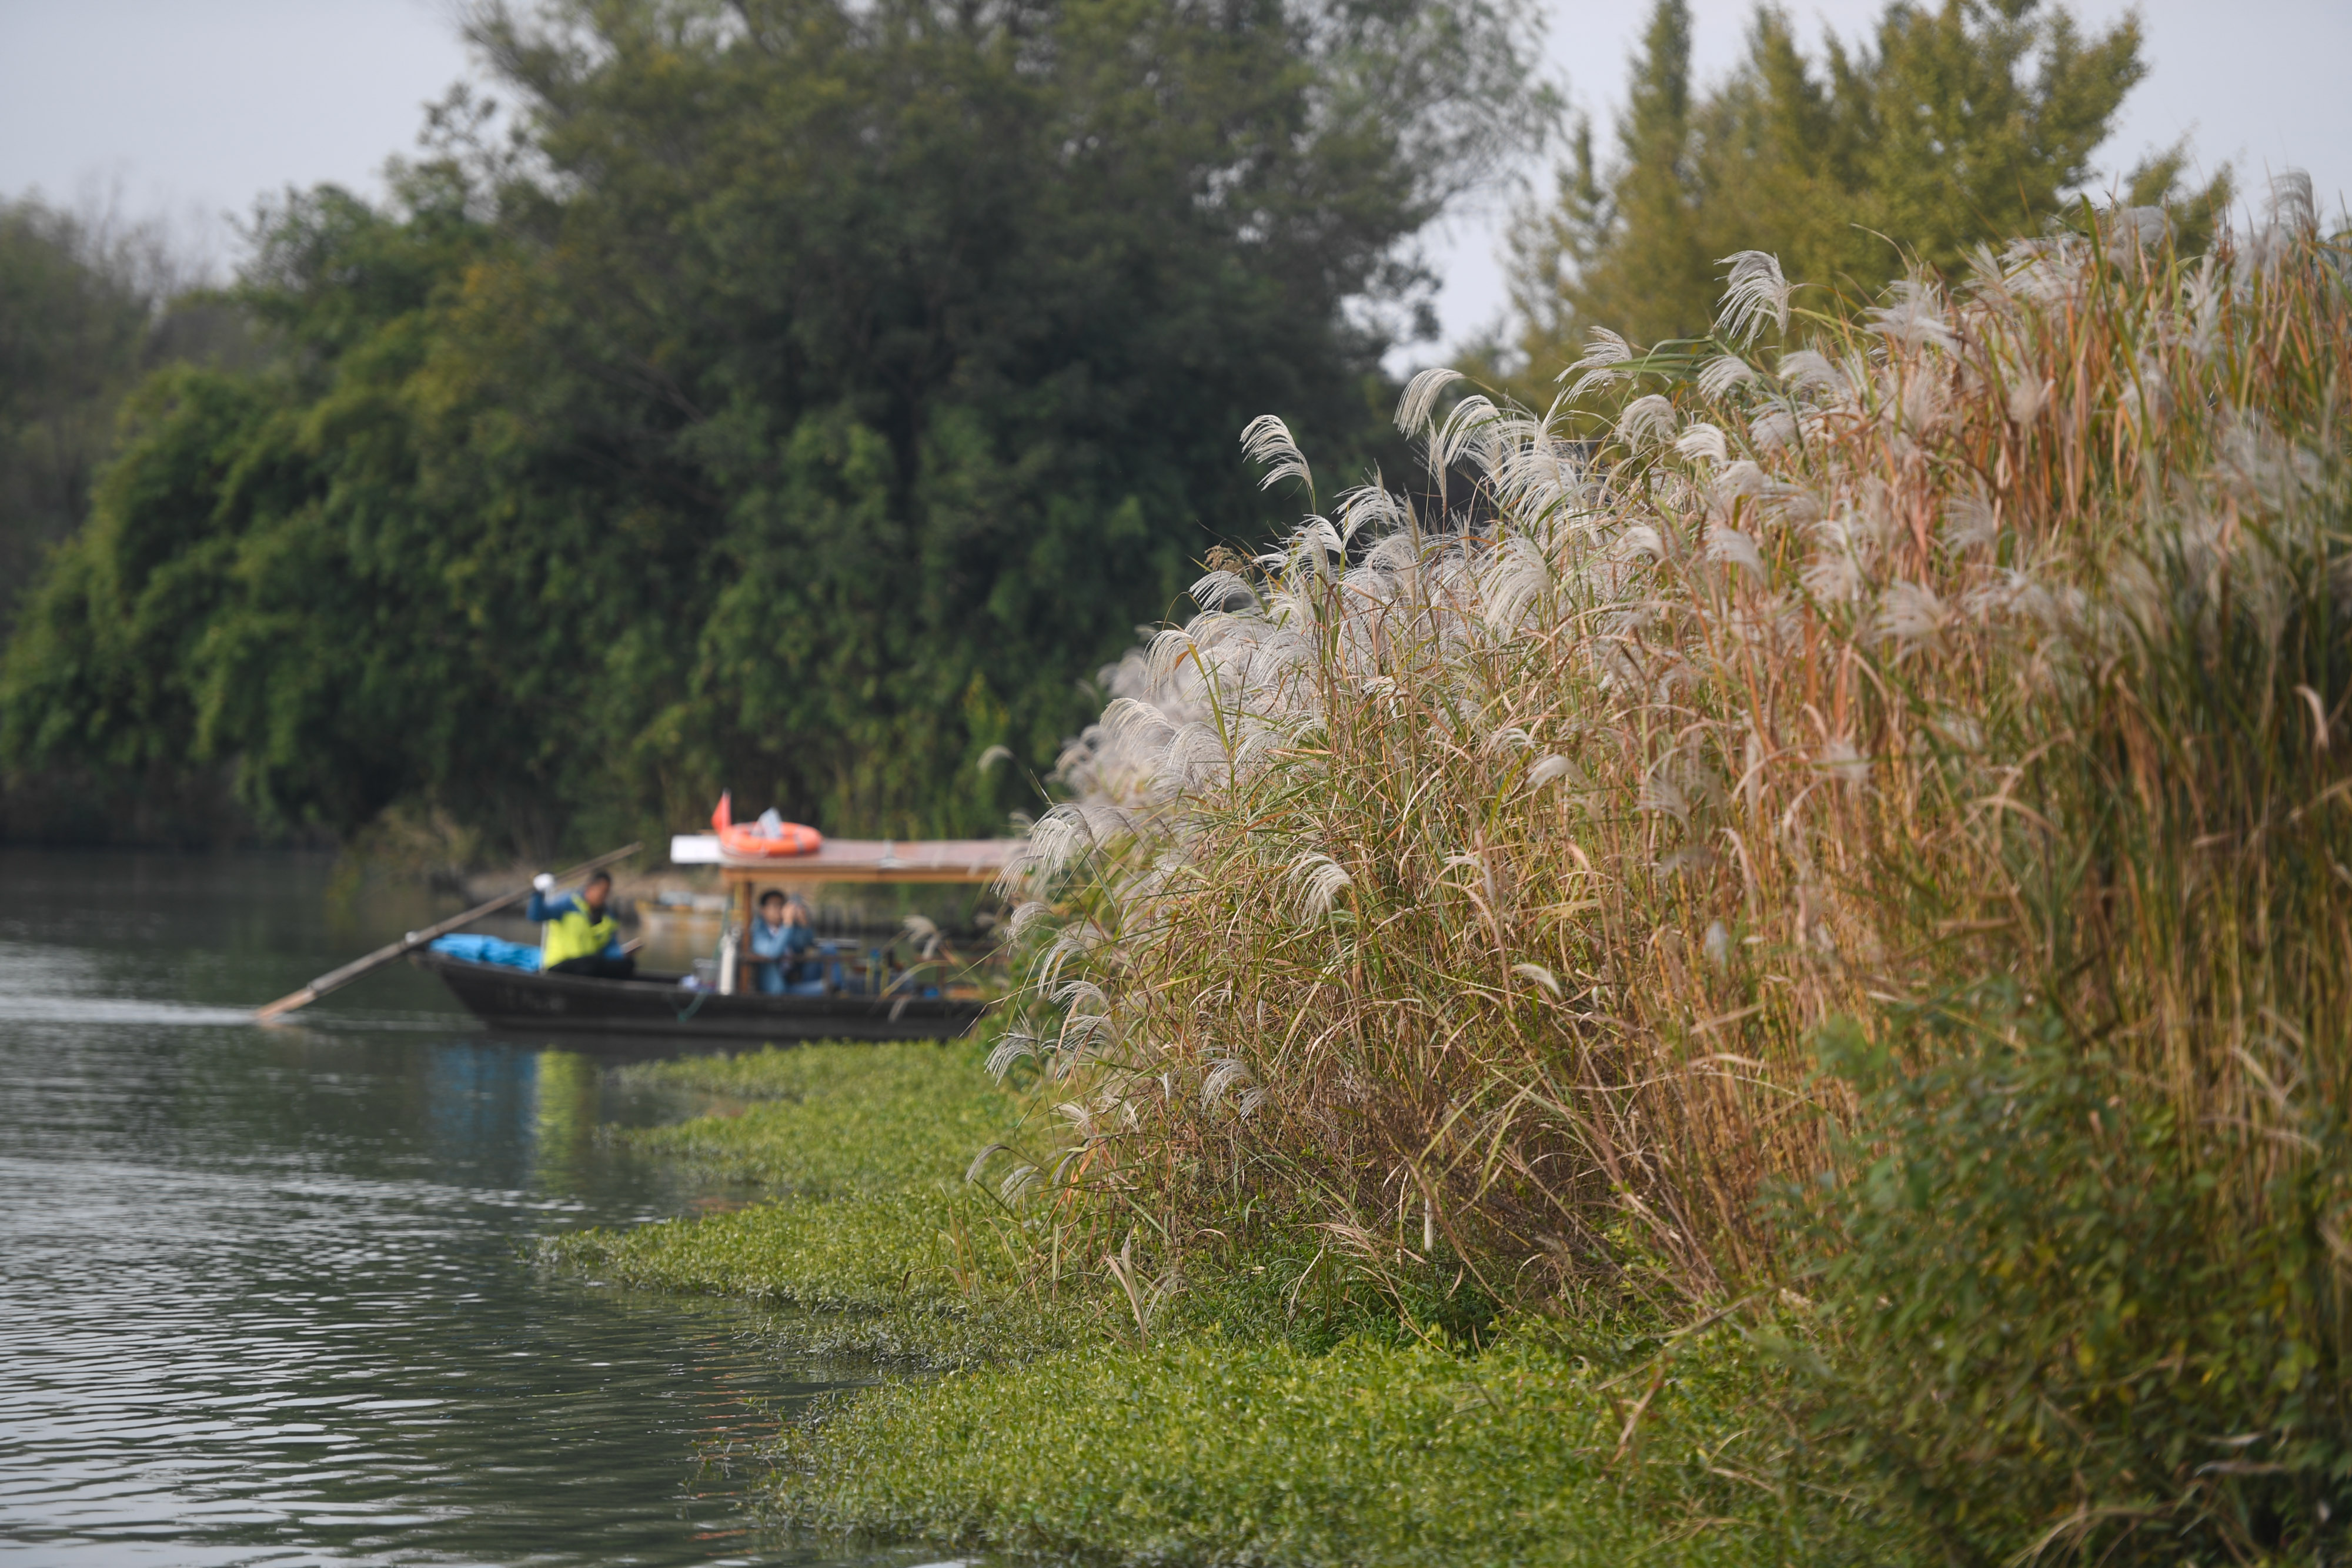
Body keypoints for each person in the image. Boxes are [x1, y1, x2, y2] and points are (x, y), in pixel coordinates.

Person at [527, 870, 636, 979]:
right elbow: (537, 916)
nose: (604, 896)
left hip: (588, 968)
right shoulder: (568, 903)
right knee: (590, 963)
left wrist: (621, 954)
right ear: (590, 888)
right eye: (601, 891)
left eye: (607, 892)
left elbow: (610, 948)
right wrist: (538, 892)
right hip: (561, 966)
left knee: (627, 964)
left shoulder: (609, 917)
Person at [746, 890, 820, 995]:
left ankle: (839, 990)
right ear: (763, 910)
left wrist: (804, 923)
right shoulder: (758, 931)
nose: (780, 909)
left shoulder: (788, 928)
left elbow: (806, 943)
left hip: (796, 979)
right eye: (775, 906)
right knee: (824, 989)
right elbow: (773, 953)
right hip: (776, 990)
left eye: (782, 905)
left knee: (829, 949)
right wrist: (788, 924)